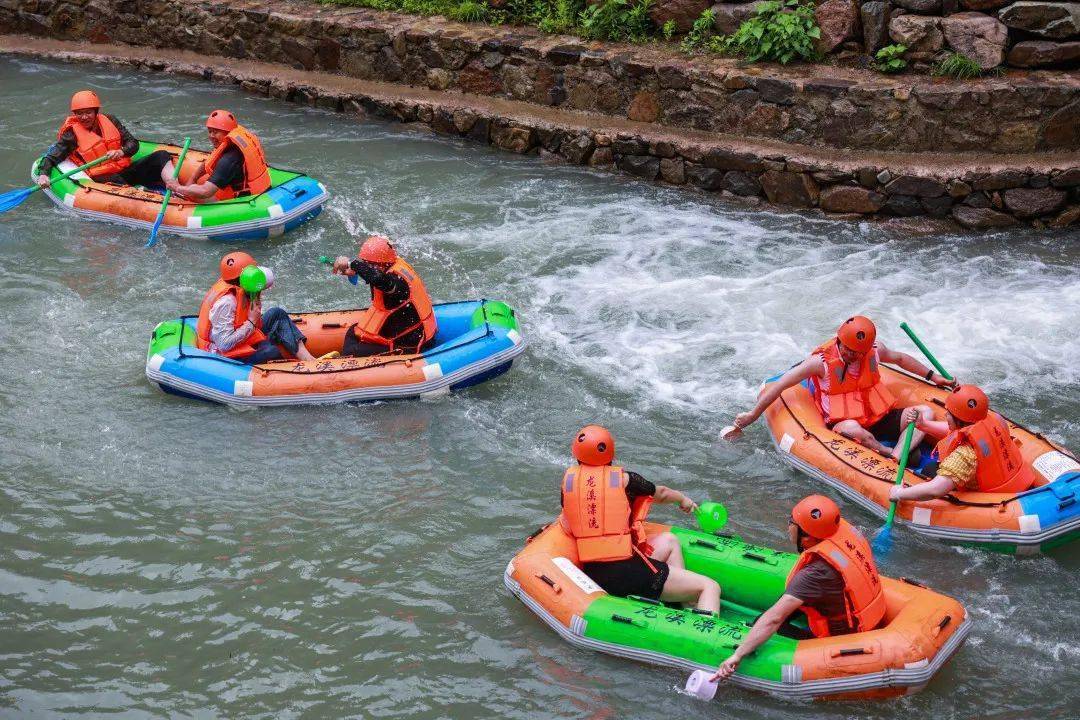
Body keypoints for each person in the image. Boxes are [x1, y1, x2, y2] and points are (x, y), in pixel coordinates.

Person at [729, 316, 956, 460]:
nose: (850, 354)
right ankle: (887, 451)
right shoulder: (821, 363)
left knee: (924, 412)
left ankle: (897, 455)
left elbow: (900, 359)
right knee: (855, 429)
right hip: (844, 423)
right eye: (846, 349)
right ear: (839, 340)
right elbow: (781, 385)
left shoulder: (874, 351)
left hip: (879, 416)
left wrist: (934, 377)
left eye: (856, 352)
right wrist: (753, 415)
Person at [711, 495, 885, 682]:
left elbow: (774, 619)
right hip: (867, 620)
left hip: (840, 642)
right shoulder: (838, 534)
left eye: (791, 523)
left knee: (767, 623)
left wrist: (738, 654)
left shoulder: (815, 573)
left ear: (807, 536)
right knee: (774, 612)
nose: (788, 527)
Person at [558, 425, 721, 613]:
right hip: (630, 574)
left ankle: (684, 603)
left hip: (594, 575)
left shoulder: (568, 484)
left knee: (669, 541)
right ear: (610, 453)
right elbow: (662, 493)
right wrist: (683, 500)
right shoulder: (625, 480)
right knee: (710, 587)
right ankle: (702, 629)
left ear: (576, 453)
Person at [889, 385, 1036, 502]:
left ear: (959, 420)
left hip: (992, 497)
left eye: (949, 414)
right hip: (1013, 481)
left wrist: (900, 493)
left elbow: (935, 490)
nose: (945, 415)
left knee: (929, 469)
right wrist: (923, 424)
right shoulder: (995, 420)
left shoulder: (964, 455)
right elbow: (954, 431)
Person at [36, 90, 174, 189]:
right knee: (116, 180)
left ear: (96, 112)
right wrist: (43, 175)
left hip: (124, 170)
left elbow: (133, 144)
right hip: (100, 177)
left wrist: (121, 152)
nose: (84, 117)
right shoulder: (71, 134)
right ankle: (142, 195)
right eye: (79, 114)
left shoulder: (111, 120)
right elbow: (51, 158)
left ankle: (175, 186)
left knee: (162, 155)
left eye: (88, 112)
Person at [196, 251, 316, 364]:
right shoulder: (227, 302)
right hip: (225, 354)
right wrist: (251, 322)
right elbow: (224, 344)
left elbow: (267, 278)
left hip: (244, 334)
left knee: (277, 313)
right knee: (271, 351)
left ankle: (308, 359)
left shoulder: (241, 287)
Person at [330, 235, 438, 357]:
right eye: (365, 263)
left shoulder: (396, 282)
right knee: (352, 332)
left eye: (369, 264)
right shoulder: (392, 265)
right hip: (403, 329)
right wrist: (356, 270)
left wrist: (353, 264)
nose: (367, 266)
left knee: (352, 351)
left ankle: (344, 369)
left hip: (409, 344)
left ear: (382, 264)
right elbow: (375, 275)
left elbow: (380, 280)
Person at [166, 110, 271, 202]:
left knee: (193, 191)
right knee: (194, 186)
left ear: (227, 133)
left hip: (242, 200)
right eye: (210, 131)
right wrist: (192, 179)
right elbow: (209, 161)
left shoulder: (229, 159)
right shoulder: (231, 143)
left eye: (215, 132)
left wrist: (178, 188)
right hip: (261, 190)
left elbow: (205, 192)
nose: (211, 136)